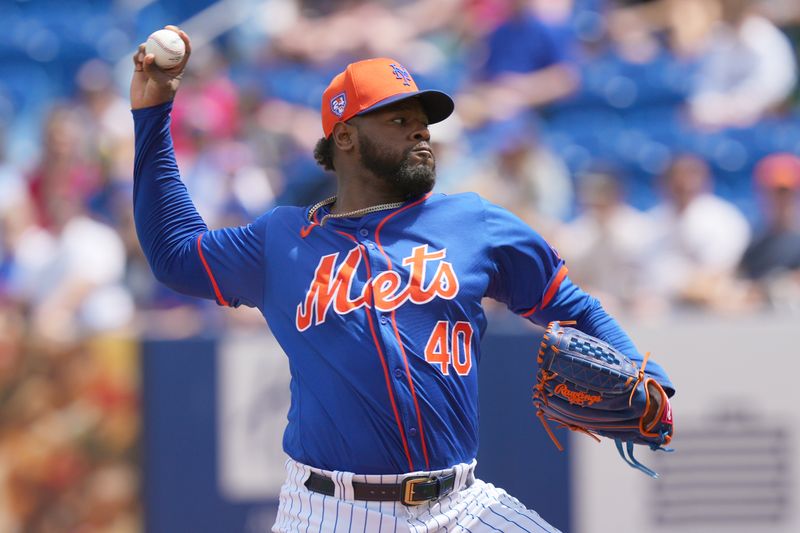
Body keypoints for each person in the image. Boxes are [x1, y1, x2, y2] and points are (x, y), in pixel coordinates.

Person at [131, 26, 674, 532]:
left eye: (422, 119)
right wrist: (154, 112)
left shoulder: (472, 222)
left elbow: (571, 306)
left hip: (460, 504)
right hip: (327, 513)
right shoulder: (281, 241)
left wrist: (649, 379)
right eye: (397, 120)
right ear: (344, 137)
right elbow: (175, 253)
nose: (420, 130)